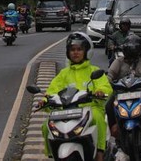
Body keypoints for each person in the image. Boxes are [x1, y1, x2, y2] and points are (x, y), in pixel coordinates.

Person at [41, 32, 112, 161]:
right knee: (46, 124)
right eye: (72, 50)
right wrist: (45, 100)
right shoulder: (63, 74)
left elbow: (105, 86)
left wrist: (100, 91)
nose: (76, 53)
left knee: (98, 119)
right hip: (66, 111)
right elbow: (52, 91)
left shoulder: (94, 71)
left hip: (90, 109)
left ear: (87, 51)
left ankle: (100, 152)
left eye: (79, 49)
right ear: (68, 52)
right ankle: (52, 155)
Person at [106, 34, 141, 139]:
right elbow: (109, 76)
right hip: (121, 94)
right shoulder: (118, 61)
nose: (131, 55)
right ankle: (114, 127)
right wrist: (107, 83)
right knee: (108, 105)